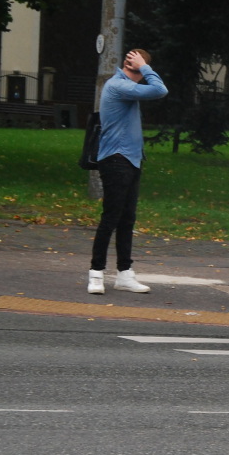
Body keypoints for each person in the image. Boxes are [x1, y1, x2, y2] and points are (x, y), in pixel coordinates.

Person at [88, 48, 167, 294]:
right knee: (110, 218)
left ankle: (124, 273)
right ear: (138, 69)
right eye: (142, 70)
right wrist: (145, 66)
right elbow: (160, 90)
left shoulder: (127, 89)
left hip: (131, 160)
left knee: (127, 219)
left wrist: (142, 67)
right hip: (116, 160)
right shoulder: (117, 86)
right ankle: (96, 273)